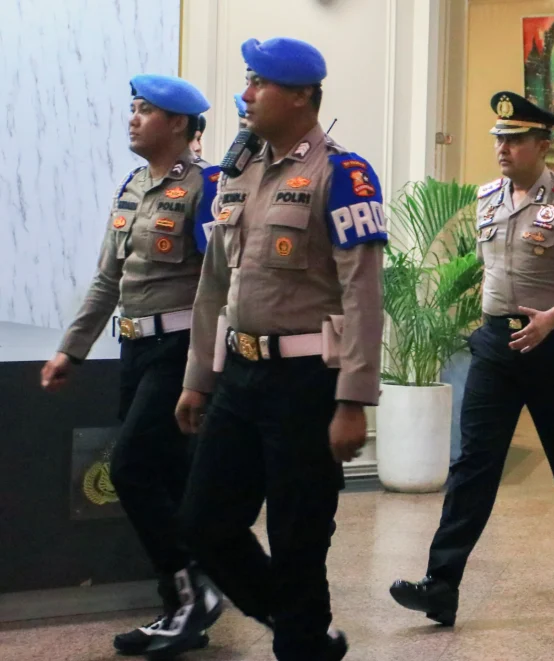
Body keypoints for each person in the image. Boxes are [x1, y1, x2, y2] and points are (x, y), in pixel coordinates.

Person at [173, 37, 385, 661]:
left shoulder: (342, 174)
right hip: (239, 377)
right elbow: (214, 283)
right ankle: (303, 630)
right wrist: (197, 379)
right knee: (203, 523)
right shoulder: (236, 171)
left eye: (257, 83)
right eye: (248, 81)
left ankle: (300, 639)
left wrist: (353, 401)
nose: (244, 94)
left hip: (305, 384)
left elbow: (363, 295)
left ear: (299, 96)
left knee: (298, 538)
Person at [390, 91, 554, 621]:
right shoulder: (487, 197)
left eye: (514, 140)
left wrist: (551, 320)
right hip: (496, 344)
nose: (502, 149)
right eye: (499, 139)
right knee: (474, 461)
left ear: (542, 144)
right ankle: (441, 584)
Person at [39, 74, 223, 658]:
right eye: (133, 108)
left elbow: (221, 285)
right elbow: (107, 279)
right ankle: (183, 610)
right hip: (136, 350)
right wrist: (72, 348)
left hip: (181, 350)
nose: (133, 118)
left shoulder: (207, 186)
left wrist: (203, 371)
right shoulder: (134, 186)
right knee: (167, 478)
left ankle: (193, 591)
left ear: (178, 124)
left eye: (146, 110)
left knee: (132, 469)